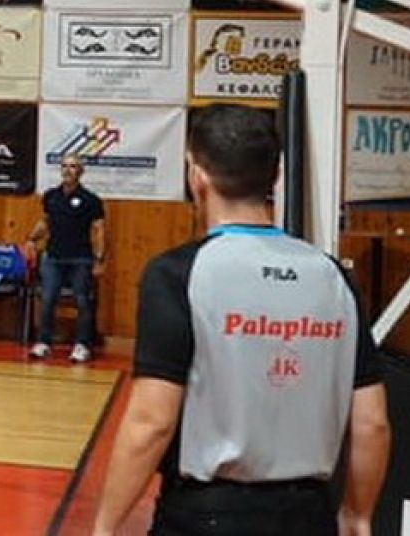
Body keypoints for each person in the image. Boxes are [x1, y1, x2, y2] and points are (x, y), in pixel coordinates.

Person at [90, 104, 390, 536]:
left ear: (197, 177)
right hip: (308, 514)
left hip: (208, 514)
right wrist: (357, 515)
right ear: (275, 176)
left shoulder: (178, 274)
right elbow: (371, 422)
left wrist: (105, 524)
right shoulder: (333, 277)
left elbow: (152, 421)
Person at [30, 155, 107, 362]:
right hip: (53, 257)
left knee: (83, 302)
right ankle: (43, 342)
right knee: (47, 300)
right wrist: (31, 238)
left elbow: (99, 230)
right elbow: (45, 222)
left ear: (80, 171)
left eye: (72, 166)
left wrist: (99, 259)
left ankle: (82, 345)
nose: (67, 170)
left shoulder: (91, 200)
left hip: (80, 259)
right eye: (64, 166)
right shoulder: (51, 196)